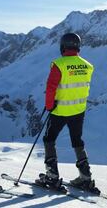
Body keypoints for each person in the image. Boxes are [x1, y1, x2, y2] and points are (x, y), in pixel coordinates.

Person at [40, 32, 98, 191]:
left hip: (59, 110)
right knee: (77, 141)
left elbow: (51, 87)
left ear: (63, 46)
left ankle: (52, 176)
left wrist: (49, 105)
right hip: (78, 110)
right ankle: (85, 177)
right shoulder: (88, 65)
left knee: (49, 139)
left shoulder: (59, 64)